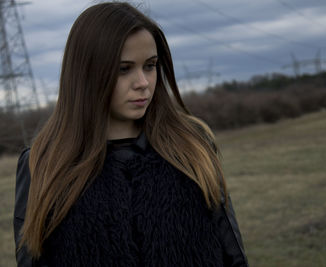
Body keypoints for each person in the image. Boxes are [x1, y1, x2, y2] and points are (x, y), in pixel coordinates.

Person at [13, 2, 248, 266]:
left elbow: (234, 256)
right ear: (86, 73)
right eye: (124, 69)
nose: (143, 83)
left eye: (150, 65)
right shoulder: (44, 164)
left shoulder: (192, 148)